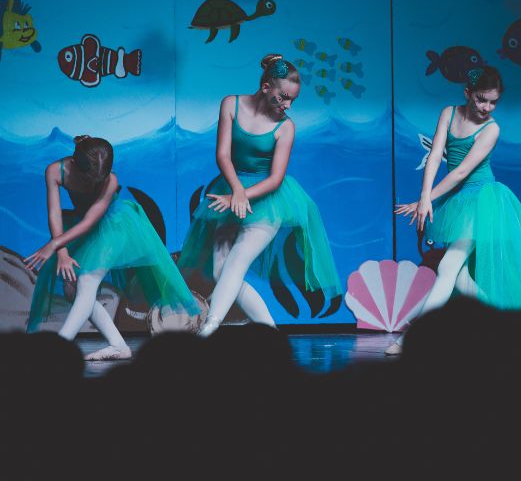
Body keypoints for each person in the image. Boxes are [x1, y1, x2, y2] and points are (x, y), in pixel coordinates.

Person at [177, 55, 341, 337]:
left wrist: (243, 196)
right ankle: (271, 333)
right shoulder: (231, 104)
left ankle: (209, 326)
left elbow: (276, 179)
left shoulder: (286, 127)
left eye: (292, 100)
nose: (287, 106)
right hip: (230, 189)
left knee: (238, 260)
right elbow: (223, 155)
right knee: (221, 270)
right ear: (266, 87)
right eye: (283, 97)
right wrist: (235, 192)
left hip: (268, 201)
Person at [391, 67, 521, 355]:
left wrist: (428, 199)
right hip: (455, 200)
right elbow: (436, 154)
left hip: (482, 200)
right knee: (459, 278)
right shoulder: (448, 113)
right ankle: (508, 325)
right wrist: (425, 196)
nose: (487, 108)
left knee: (449, 266)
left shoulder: (492, 129)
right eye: (481, 100)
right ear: (467, 94)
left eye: (493, 102)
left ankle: (412, 339)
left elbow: (461, 171)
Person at [25, 135, 197, 360]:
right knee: (72, 290)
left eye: (100, 179)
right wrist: (62, 252)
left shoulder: (110, 181)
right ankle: (118, 345)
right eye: (88, 179)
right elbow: (54, 213)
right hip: (78, 225)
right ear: (75, 164)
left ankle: (60, 347)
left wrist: (55, 244)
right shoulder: (55, 171)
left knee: (87, 281)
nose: (93, 184)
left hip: (114, 224)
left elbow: (90, 220)